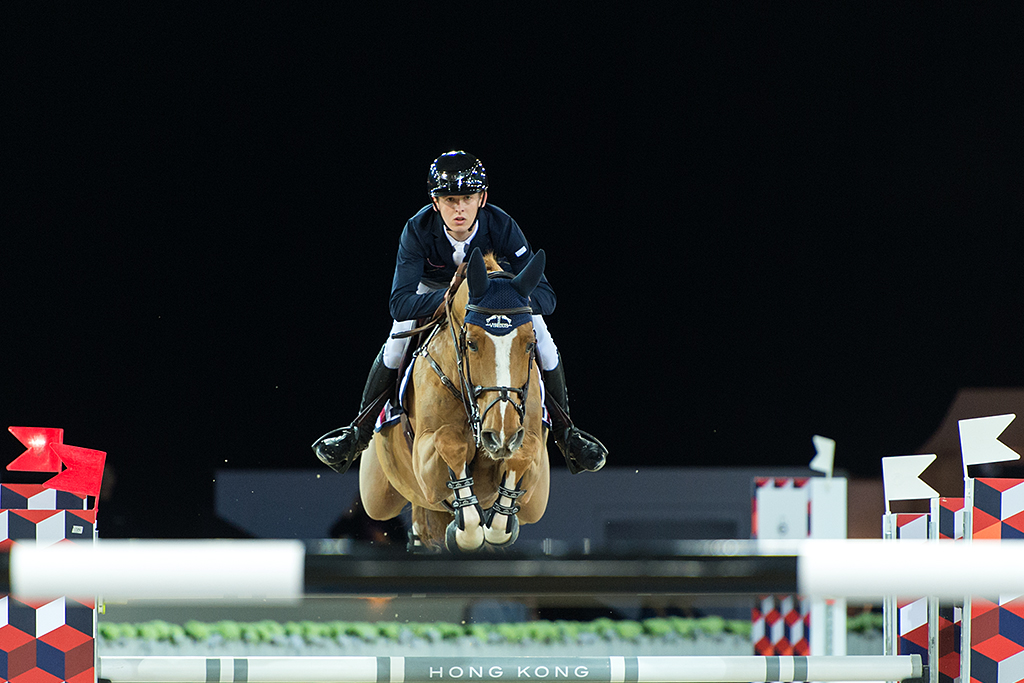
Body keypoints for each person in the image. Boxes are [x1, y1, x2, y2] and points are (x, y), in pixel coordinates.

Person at [312, 151, 607, 476]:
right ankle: (358, 433)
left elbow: (546, 298)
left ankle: (567, 435)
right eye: (450, 200)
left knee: (545, 343)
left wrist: (502, 298)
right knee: (396, 343)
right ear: (435, 202)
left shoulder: (502, 225)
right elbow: (400, 303)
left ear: (482, 198)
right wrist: (454, 298)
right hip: (433, 293)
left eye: (467, 198)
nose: (459, 209)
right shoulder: (417, 230)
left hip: (493, 297)